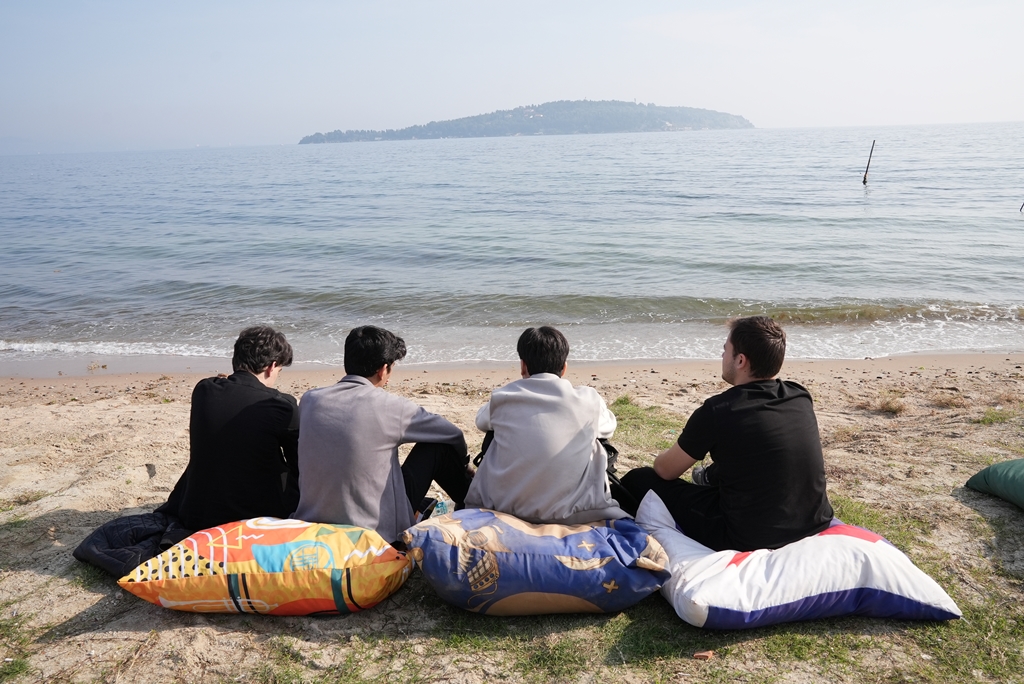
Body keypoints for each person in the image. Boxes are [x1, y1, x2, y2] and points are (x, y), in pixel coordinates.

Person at [621, 316, 833, 552]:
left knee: (638, 479)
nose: (722, 356)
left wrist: (660, 458)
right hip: (814, 522)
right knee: (746, 458)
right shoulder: (799, 396)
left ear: (740, 360)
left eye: (725, 350)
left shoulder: (719, 410)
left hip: (748, 536)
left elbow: (665, 471)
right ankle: (708, 477)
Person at [292, 325, 472, 543]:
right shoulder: (390, 406)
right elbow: (452, 433)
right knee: (437, 447)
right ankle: (473, 506)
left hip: (313, 523)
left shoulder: (310, 400)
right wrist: (464, 463)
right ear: (383, 369)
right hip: (378, 534)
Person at [464, 326, 629, 524]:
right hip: (576, 514)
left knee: (493, 432)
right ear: (564, 367)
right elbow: (609, 426)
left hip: (505, 510)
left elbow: (481, 421)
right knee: (595, 437)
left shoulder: (503, 397)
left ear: (523, 366)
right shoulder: (588, 399)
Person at [160, 325, 300, 532]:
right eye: (279, 370)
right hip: (253, 516)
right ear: (271, 367)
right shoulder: (282, 405)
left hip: (196, 512)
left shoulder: (204, 389)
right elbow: (299, 462)